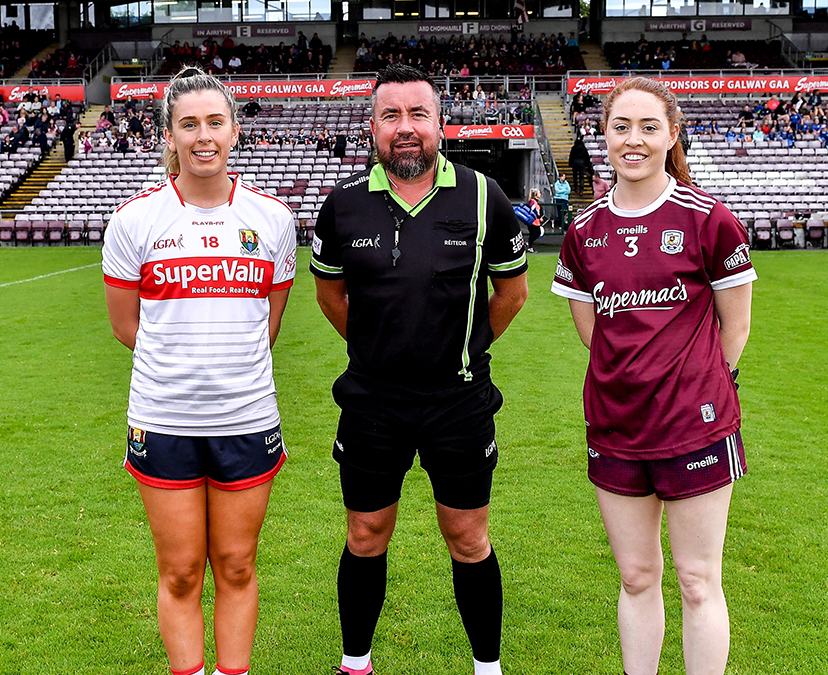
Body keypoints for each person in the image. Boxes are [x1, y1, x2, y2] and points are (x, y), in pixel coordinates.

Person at [309, 64, 528, 675]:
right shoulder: (344, 205)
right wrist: (379, 348)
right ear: (372, 126)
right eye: (390, 116)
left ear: (440, 123)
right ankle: (356, 663)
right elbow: (331, 298)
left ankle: (488, 667)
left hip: (458, 403)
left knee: (468, 537)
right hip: (372, 402)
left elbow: (511, 295)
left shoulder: (486, 197)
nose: (405, 128)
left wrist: (462, 349)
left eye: (417, 115)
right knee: (365, 533)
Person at [550, 76, 755, 675]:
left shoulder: (709, 219)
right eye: (621, 127)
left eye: (648, 127)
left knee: (697, 580)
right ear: (604, 136)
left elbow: (733, 331)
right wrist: (633, 381)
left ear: (671, 135)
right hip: (616, 426)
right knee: (637, 576)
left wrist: (690, 386)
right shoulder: (584, 232)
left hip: (695, 425)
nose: (632, 140)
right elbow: (594, 332)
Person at [102, 66, 297, 675]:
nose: (203, 135)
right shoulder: (134, 221)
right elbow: (127, 329)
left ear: (235, 132)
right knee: (182, 571)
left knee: (237, 566)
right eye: (189, 124)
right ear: (170, 136)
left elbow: (268, 324)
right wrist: (182, 369)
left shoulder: (273, 220)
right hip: (164, 422)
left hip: (246, 418)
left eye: (215, 121)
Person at [526, 188, 545, 252]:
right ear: (535, 194)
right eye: (539, 192)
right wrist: (539, 217)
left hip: (536, 221)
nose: (540, 194)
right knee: (533, 233)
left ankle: (529, 243)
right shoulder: (532, 201)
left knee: (537, 233)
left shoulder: (535, 201)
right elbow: (533, 210)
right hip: (533, 221)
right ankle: (530, 247)